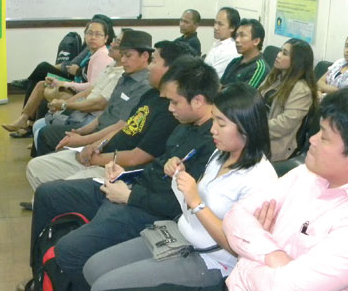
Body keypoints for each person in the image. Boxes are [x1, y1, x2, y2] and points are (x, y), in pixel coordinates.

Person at [19, 58, 221, 291]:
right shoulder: (184, 123)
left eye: (175, 102)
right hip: (132, 187)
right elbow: (155, 167)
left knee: (69, 251)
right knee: (48, 195)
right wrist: (124, 175)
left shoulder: (211, 144)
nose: (169, 108)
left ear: (197, 101)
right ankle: (40, 275)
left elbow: (180, 205)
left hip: (146, 210)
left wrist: (128, 197)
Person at [84, 82, 277, 291]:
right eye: (213, 120)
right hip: (179, 235)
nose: (212, 129)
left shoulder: (260, 179)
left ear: (247, 128)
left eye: (221, 124)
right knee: (93, 268)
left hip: (210, 260)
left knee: (104, 286)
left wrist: (197, 203)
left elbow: (240, 247)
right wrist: (178, 172)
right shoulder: (221, 155)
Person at [222, 87, 348, 290]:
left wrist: (249, 254)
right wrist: (272, 255)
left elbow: (284, 287)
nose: (312, 139)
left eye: (324, 137)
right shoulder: (307, 175)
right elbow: (236, 215)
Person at [23, 40, 195, 192]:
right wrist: (95, 145)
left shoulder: (171, 111)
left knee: (51, 193)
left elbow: (138, 157)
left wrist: (97, 158)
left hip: (117, 169)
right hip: (103, 154)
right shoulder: (151, 95)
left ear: (171, 70)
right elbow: (123, 126)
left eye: (154, 61)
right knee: (36, 167)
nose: (149, 66)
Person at [33, 31, 152, 157]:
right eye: (122, 55)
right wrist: (79, 131)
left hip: (108, 138)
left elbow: (119, 126)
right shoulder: (124, 77)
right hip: (96, 127)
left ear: (144, 56)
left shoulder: (143, 86)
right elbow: (105, 114)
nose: (123, 60)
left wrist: (83, 139)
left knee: (45, 134)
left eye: (128, 56)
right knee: (46, 130)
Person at [2, 18, 113, 132]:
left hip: (85, 99)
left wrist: (64, 84)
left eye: (98, 34)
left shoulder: (101, 56)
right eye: (90, 33)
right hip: (80, 90)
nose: (93, 37)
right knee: (42, 84)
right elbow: (72, 66)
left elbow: (91, 87)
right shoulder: (91, 52)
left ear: (105, 38)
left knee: (47, 90)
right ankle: (25, 120)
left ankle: (37, 129)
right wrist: (60, 83)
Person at [258, 38, 318, 161]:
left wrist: (254, 128)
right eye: (280, 50)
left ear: (297, 61)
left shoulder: (301, 89)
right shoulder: (274, 76)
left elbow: (284, 124)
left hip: (276, 144)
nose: (278, 55)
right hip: (258, 132)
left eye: (284, 53)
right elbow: (255, 98)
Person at [220, 18, 269, 88]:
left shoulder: (259, 68)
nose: (237, 40)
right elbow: (221, 85)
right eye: (236, 36)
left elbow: (245, 97)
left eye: (242, 36)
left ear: (256, 41)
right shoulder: (234, 62)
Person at [204, 7, 240, 77]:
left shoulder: (230, 50)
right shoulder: (218, 43)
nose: (215, 27)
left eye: (220, 24)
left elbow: (211, 77)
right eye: (215, 23)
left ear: (232, 27)